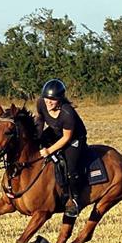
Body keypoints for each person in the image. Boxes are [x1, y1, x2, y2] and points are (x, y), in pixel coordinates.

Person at [34, 78, 88, 217]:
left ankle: (75, 200)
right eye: (46, 98)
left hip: (74, 139)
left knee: (71, 168)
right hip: (56, 131)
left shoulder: (67, 113)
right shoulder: (41, 103)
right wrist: (37, 137)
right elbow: (40, 119)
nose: (48, 101)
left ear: (60, 99)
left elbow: (66, 138)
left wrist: (49, 151)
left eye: (53, 99)